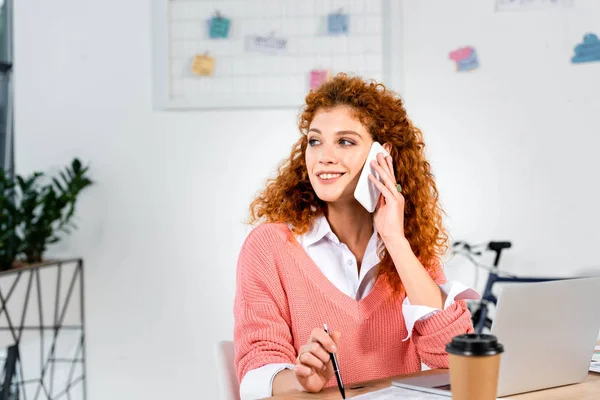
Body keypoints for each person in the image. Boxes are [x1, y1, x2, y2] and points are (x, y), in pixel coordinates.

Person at [233, 73, 476, 400]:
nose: (324, 156)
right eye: (315, 141)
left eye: (345, 141)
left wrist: (395, 241)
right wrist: (301, 379)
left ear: (382, 154)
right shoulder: (269, 246)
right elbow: (256, 367)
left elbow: (456, 360)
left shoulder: (406, 246)